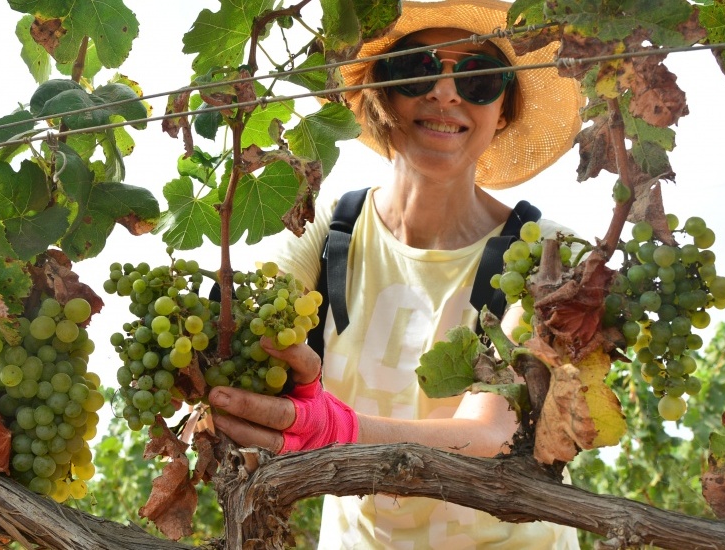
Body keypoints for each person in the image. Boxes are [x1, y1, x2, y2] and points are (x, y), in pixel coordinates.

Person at [207, 0, 584, 547]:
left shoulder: (550, 253)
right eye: (418, 69)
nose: (447, 93)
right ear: (381, 92)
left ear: (503, 109)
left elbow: (496, 431)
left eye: (478, 78)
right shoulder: (325, 227)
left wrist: (340, 431)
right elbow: (248, 328)